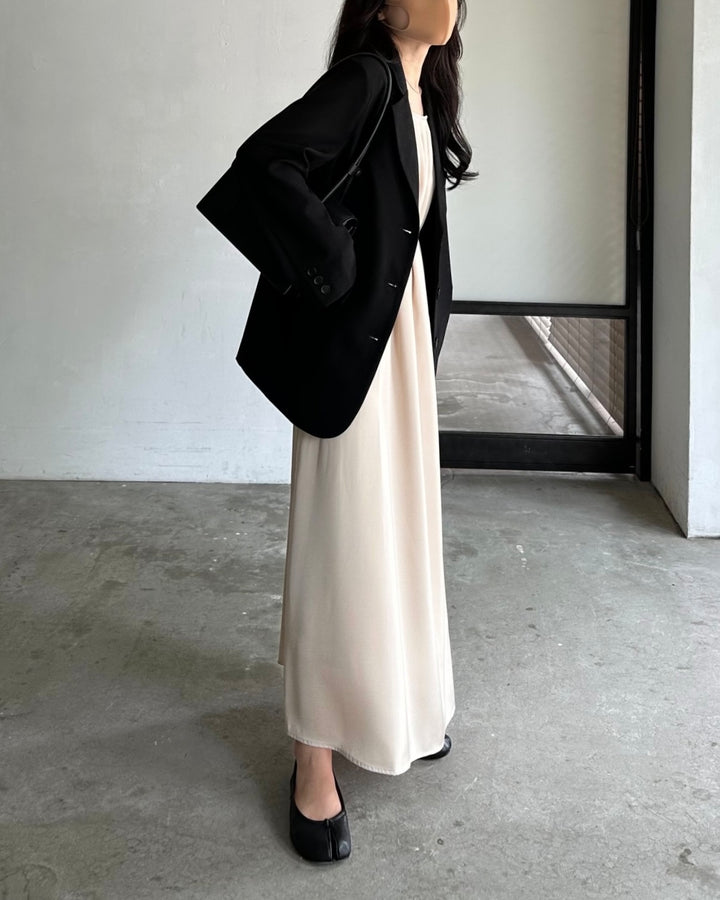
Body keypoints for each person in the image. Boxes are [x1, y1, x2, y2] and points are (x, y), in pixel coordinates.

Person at [232, 0, 476, 862]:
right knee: (342, 543)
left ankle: (396, 705)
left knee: (397, 531)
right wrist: (332, 268)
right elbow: (266, 164)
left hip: (399, 353)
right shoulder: (365, 79)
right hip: (357, 352)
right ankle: (313, 757)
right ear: (381, 3)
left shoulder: (420, 95)